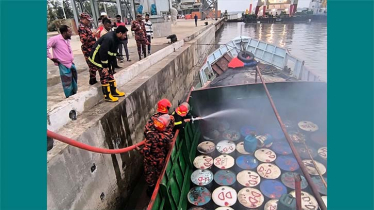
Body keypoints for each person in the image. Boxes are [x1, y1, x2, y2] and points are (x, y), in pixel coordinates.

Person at [88, 26, 128, 102]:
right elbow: (103, 52)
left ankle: (114, 91)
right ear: (120, 33)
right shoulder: (109, 38)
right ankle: (107, 96)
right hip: (97, 58)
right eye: (124, 35)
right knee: (104, 75)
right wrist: (105, 67)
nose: (125, 36)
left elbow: (111, 52)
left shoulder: (116, 39)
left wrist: (111, 65)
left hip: (105, 59)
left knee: (110, 74)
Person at [140, 114, 173, 196]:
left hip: (150, 160)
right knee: (160, 173)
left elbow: (146, 151)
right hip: (160, 159)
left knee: (150, 175)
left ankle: (150, 190)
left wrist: (139, 150)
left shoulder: (150, 135)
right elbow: (169, 147)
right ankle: (160, 188)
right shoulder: (167, 136)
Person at [47, 25, 77, 98]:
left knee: (74, 82)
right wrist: (51, 57)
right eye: (69, 32)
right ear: (64, 32)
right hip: (63, 65)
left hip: (71, 63)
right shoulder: (55, 39)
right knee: (67, 84)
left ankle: (74, 96)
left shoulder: (67, 39)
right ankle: (69, 98)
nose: (71, 33)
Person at [78, 13, 99, 85]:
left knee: (94, 64)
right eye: (87, 20)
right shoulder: (82, 28)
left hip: (92, 48)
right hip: (87, 49)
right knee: (92, 65)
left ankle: (93, 79)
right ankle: (92, 80)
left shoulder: (86, 26)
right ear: (83, 19)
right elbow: (83, 40)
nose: (89, 21)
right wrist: (93, 35)